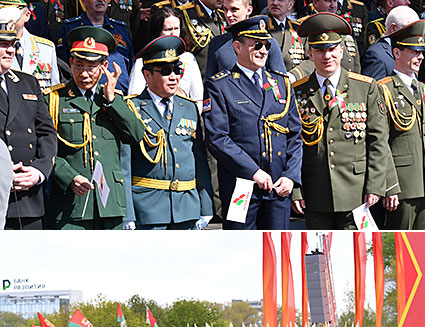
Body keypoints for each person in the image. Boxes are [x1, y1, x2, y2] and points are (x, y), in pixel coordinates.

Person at [292, 14, 395, 228]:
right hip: (315, 191)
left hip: (356, 191)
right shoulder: (297, 92)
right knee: (320, 253)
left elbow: (378, 141)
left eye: (332, 49)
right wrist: (296, 190)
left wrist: (375, 186)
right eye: (320, 50)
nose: (326, 56)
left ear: (341, 50)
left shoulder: (365, 88)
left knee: (356, 254)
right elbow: (292, 144)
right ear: (309, 53)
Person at [203, 15, 302, 227]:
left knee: (275, 248)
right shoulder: (220, 85)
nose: (263, 50)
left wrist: (291, 176)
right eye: (256, 45)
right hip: (242, 185)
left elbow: (294, 135)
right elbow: (217, 138)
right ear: (237, 47)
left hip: (278, 186)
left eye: (266, 45)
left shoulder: (281, 84)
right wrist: (254, 172)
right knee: (240, 248)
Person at [46, 25, 147, 229]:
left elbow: (136, 135)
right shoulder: (55, 100)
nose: (84, 73)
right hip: (70, 205)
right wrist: (69, 177)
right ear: (70, 63)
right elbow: (45, 150)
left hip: (110, 204)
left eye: (91, 67)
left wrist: (111, 101)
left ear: (104, 66)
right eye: (78, 65)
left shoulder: (114, 100)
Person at [113, 35, 213, 228]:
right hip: (148, 210)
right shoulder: (132, 108)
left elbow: (199, 159)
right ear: (147, 75)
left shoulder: (189, 107)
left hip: (186, 209)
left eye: (178, 70)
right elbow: (124, 166)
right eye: (166, 71)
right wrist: (127, 214)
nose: (174, 77)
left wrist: (206, 206)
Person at [379, 19, 425, 229]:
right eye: (414, 52)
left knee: (423, 243)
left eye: (421, 52)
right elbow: (381, 143)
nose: (420, 57)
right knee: (401, 243)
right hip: (403, 185)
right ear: (397, 53)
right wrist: (390, 185)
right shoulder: (383, 89)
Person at [0, 0, 57, 228]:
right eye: (2, 44)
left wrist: (39, 171)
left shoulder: (27, 83)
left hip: (29, 198)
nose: (10, 50)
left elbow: (47, 133)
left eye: (12, 44)